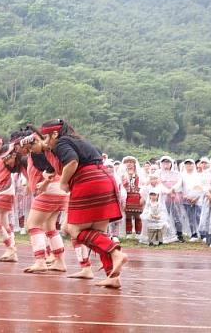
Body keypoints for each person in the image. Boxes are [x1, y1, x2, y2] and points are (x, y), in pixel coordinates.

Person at [29, 119, 127, 288]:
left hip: (88, 181)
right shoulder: (78, 140)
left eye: (46, 137)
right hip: (104, 179)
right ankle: (113, 276)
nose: (46, 142)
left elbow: (72, 161)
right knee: (97, 233)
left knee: (71, 229)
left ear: (54, 134)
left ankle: (115, 252)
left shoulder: (62, 142)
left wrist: (64, 182)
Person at [13, 127, 68, 274]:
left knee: (32, 224)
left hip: (50, 189)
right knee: (50, 226)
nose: (18, 150)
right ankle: (60, 262)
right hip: (59, 190)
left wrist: (44, 183)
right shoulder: (40, 151)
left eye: (19, 146)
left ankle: (40, 261)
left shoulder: (37, 153)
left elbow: (51, 167)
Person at [158, 155, 189, 242]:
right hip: (164, 198)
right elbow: (159, 184)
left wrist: (172, 190)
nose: (166, 164)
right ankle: (167, 235)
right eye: (164, 162)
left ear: (171, 163)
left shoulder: (177, 173)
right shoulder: (159, 173)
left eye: (168, 162)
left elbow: (179, 183)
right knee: (164, 216)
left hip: (175, 197)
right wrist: (167, 191)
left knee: (177, 216)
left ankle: (179, 235)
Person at [120, 156, 145, 239]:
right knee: (128, 215)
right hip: (126, 197)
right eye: (127, 162)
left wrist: (142, 197)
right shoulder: (122, 174)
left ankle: (139, 233)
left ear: (134, 163)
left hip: (137, 196)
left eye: (131, 162)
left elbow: (143, 186)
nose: (129, 164)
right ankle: (129, 233)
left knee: (138, 216)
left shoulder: (139, 174)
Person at [181, 159, 202, 241]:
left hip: (197, 200)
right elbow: (180, 187)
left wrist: (196, 198)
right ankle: (194, 234)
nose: (189, 166)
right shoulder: (182, 175)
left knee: (198, 216)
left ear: (194, 165)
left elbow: (201, 188)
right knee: (190, 217)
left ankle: (202, 234)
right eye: (187, 164)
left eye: (190, 164)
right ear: (185, 165)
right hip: (186, 200)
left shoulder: (198, 176)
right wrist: (186, 196)